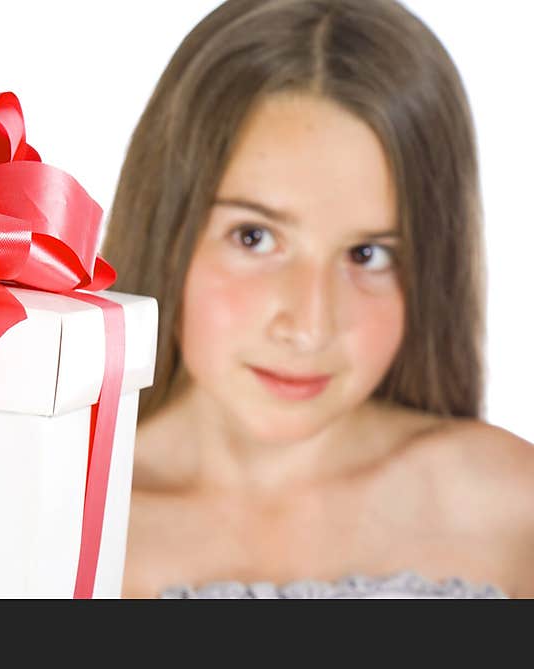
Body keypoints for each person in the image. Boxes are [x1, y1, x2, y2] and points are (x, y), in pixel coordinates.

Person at [102, 0, 534, 598]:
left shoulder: (512, 513)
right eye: (254, 238)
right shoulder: (51, 520)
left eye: (369, 255)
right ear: (166, 223)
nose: (310, 326)